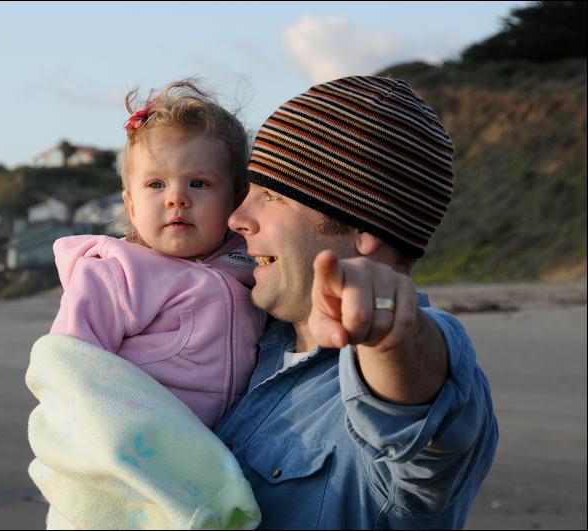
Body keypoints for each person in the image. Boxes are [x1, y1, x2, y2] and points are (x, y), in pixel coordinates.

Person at [214, 75, 499, 529]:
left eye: (271, 195)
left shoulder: (416, 370)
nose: (237, 218)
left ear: (364, 227)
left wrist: (387, 335)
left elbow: (420, 402)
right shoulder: (238, 343)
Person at [48, 79, 265, 428]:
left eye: (199, 183)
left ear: (236, 197)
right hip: (145, 442)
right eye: (156, 184)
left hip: (232, 442)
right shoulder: (116, 273)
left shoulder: (250, 259)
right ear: (131, 205)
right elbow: (70, 361)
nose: (176, 198)